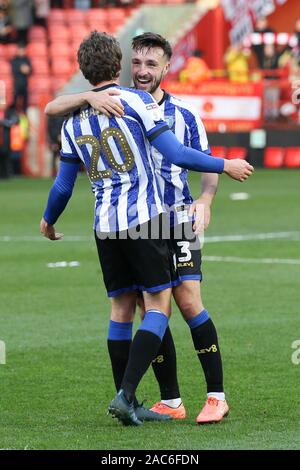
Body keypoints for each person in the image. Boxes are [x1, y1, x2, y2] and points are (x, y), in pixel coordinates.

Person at [40, 31, 253, 426]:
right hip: (147, 221)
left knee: (185, 302)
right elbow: (174, 152)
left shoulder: (183, 114)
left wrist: (205, 200)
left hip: (170, 220)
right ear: (123, 64)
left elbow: (62, 170)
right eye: (136, 63)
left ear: (166, 67)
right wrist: (228, 163)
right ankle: (166, 399)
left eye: (150, 64)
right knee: (150, 307)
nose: (142, 71)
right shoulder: (132, 103)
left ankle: (214, 395)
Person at [11, 43, 32, 112]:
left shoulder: (27, 59)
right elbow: (14, 70)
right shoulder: (15, 60)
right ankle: (14, 114)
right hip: (17, 84)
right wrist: (21, 69)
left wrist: (27, 70)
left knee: (25, 103)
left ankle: (24, 114)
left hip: (25, 84)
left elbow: (31, 70)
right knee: (15, 101)